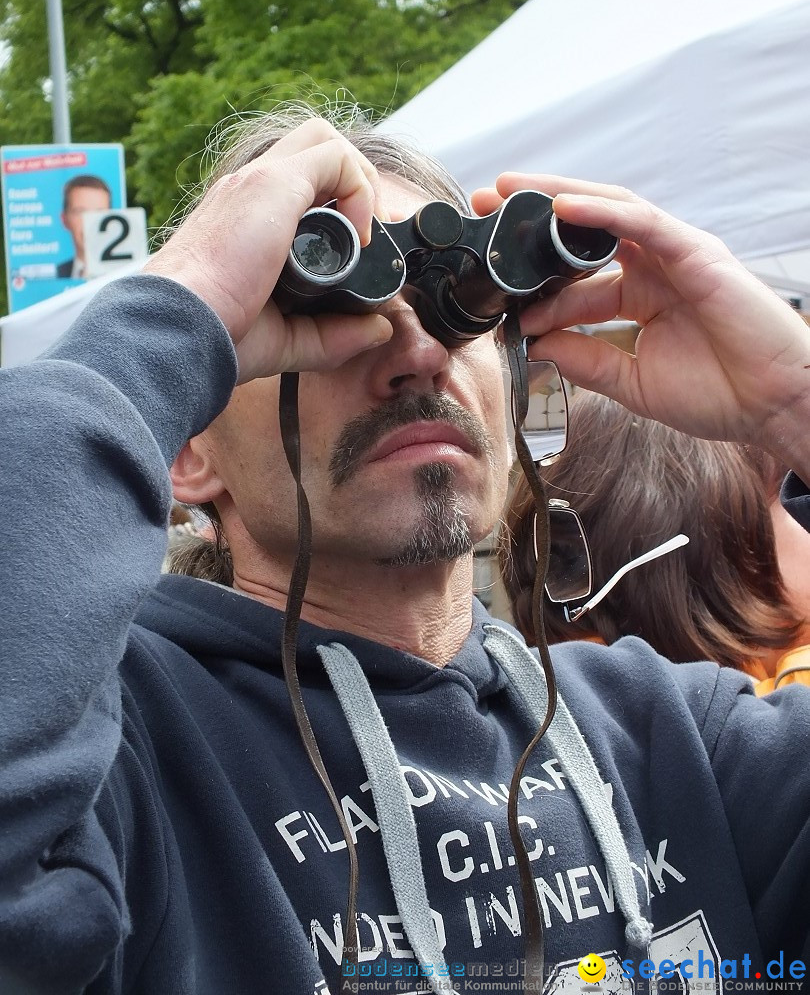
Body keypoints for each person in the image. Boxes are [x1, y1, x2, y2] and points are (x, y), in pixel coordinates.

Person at [3, 105, 810, 995]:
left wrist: (792, 401)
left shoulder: (673, 743)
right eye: (322, 313)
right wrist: (170, 314)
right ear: (187, 450)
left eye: (459, 309)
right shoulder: (122, 762)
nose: (420, 351)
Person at [500, 391, 810, 693]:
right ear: (720, 554)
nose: (804, 512)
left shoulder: (555, 705)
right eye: (792, 496)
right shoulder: (784, 711)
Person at [56, 173, 112, 278]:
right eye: (80, 212)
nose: (90, 222)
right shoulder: (54, 275)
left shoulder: (127, 275)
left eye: (99, 213)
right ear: (64, 220)